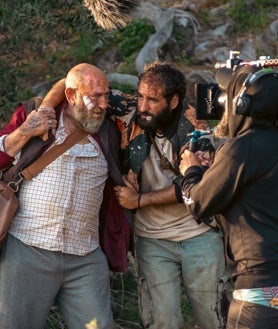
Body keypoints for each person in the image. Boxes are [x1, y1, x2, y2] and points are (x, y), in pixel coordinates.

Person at [38, 62, 226, 329]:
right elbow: (68, 83)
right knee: (162, 321)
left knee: (213, 318)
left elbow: (196, 186)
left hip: (198, 235)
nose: (143, 106)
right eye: (140, 96)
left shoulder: (195, 127)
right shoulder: (130, 107)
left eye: (152, 100)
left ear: (173, 102)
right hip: (151, 239)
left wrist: (138, 201)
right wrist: (46, 108)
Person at [0, 63, 133, 329]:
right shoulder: (35, 116)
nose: (103, 104)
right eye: (95, 96)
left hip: (85, 257)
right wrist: (26, 130)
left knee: (100, 326)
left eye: (106, 95)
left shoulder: (110, 129)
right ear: (71, 96)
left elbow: (149, 105)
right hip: (27, 250)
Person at [179, 64, 278, 329]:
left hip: (259, 291)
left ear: (241, 105)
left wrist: (191, 172)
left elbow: (198, 202)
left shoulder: (241, 149)